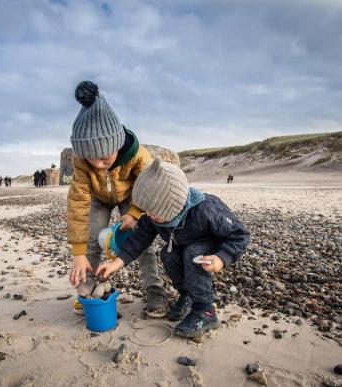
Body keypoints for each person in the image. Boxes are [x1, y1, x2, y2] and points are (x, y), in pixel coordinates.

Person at [97, 159, 250, 338]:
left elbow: (240, 235)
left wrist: (222, 258)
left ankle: (205, 310)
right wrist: (116, 263)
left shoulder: (206, 209)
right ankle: (187, 295)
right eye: (147, 211)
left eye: (154, 212)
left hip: (209, 247)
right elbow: (139, 240)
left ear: (173, 206)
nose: (149, 215)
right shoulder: (153, 216)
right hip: (180, 244)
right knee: (167, 254)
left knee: (192, 255)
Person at [68, 80, 166, 317]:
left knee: (141, 241)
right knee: (91, 241)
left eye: (104, 157)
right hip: (98, 198)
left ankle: (155, 290)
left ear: (117, 143)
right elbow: (78, 202)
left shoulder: (138, 155)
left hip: (132, 197)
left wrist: (133, 213)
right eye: (92, 159)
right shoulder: (80, 161)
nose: (99, 164)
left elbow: (149, 187)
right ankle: (88, 291)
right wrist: (78, 253)